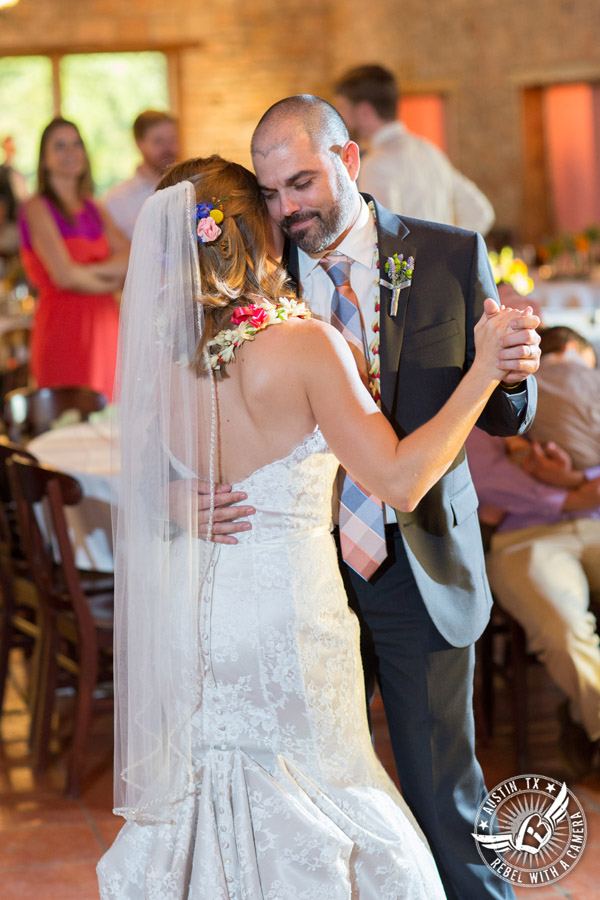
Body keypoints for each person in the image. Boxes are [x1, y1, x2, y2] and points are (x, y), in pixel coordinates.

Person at [96, 156, 529, 898]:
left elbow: (138, 475)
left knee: (222, 799)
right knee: (332, 790)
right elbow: (397, 478)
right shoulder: (303, 345)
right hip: (288, 618)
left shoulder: (164, 364)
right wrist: (484, 370)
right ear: (258, 232)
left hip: (202, 615)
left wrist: (173, 502)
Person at [247, 95, 540, 900]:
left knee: (445, 794)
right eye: (270, 194)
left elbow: (506, 413)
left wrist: (514, 366)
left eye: (301, 183)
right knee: (315, 799)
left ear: (348, 160)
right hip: (305, 569)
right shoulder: (258, 273)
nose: (288, 209)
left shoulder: (448, 255)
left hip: (421, 563)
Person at [467, 426, 600, 775]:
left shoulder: (582, 385)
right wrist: (572, 496)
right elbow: (483, 478)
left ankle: (582, 713)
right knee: (565, 633)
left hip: (595, 522)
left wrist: (573, 477)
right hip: (524, 535)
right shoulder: (480, 396)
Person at [19, 118, 128, 398]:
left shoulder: (93, 206)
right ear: (44, 160)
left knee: (109, 419)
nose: (71, 152)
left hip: (106, 326)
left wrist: (85, 272)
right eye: (60, 146)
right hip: (63, 329)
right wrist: (112, 281)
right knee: (67, 420)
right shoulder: (36, 208)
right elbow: (64, 276)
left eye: (76, 144)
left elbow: (130, 256)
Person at [333, 64, 495, 235]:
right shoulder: (431, 151)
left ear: (365, 112)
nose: (341, 118)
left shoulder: (376, 164)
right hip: (435, 261)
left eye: (343, 107)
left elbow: (383, 237)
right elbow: (481, 213)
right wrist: (448, 252)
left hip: (407, 262)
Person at [528, 325, 600, 470]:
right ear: (571, 348)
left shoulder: (526, 386)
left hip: (558, 471)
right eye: (589, 363)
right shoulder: (593, 378)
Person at [102, 109, 179, 238]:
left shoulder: (188, 190)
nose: (168, 148)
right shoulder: (115, 201)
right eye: (158, 141)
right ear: (139, 144)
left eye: (172, 140)